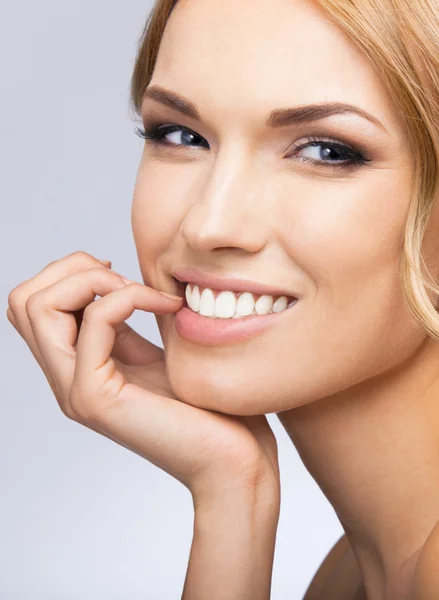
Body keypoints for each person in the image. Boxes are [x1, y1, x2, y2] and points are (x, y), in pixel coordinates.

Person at [6, 0, 439, 598]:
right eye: (181, 136)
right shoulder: (358, 571)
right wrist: (233, 490)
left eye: (326, 151)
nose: (209, 225)